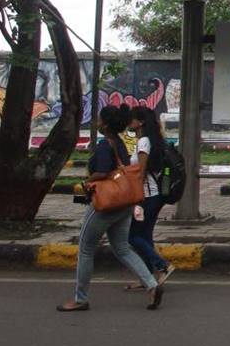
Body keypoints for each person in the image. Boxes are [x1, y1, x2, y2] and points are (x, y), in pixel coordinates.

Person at [57, 104, 164, 312]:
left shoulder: (105, 145)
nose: (97, 123)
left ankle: (80, 298)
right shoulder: (120, 144)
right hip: (124, 204)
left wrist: (88, 181)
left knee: (85, 250)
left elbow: (104, 171)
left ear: (105, 125)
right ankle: (151, 284)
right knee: (122, 248)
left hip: (105, 204)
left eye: (99, 120)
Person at [125, 106, 176, 287]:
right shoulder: (152, 140)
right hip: (154, 195)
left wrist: (137, 198)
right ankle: (147, 278)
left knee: (133, 237)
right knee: (145, 236)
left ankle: (163, 265)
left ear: (140, 122)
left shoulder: (144, 142)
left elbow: (141, 172)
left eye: (131, 119)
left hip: (147, 196)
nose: (128, 122)